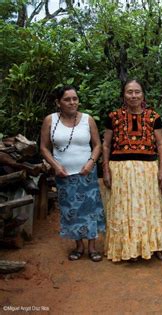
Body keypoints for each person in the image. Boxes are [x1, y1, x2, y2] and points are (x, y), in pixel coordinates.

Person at [102, 79, 162, 262]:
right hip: (120, 170)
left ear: (143, 94)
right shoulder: (113, 117)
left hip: (147, 170)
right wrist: (106, 171)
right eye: (129, 92)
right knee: (123, 210)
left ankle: (155, 245)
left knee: (151, 209)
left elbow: (161, 144)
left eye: (137, 92)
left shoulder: (153, 117)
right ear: (123, 95)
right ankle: (128, 248)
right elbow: (106, 145)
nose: (133, 96)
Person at [40, 85, 105, 262]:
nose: (72, 102)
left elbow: (98, 145)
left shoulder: (87, 119)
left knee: (90, 210)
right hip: (64, 175)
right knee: (72, 210)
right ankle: (79, 247)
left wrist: (91, 163)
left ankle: (92, 247)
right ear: (58, 102)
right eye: (67, 99)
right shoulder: (50, 120)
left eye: (74, 98)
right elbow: (44, 147)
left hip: (87, 173)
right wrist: (55, 165)